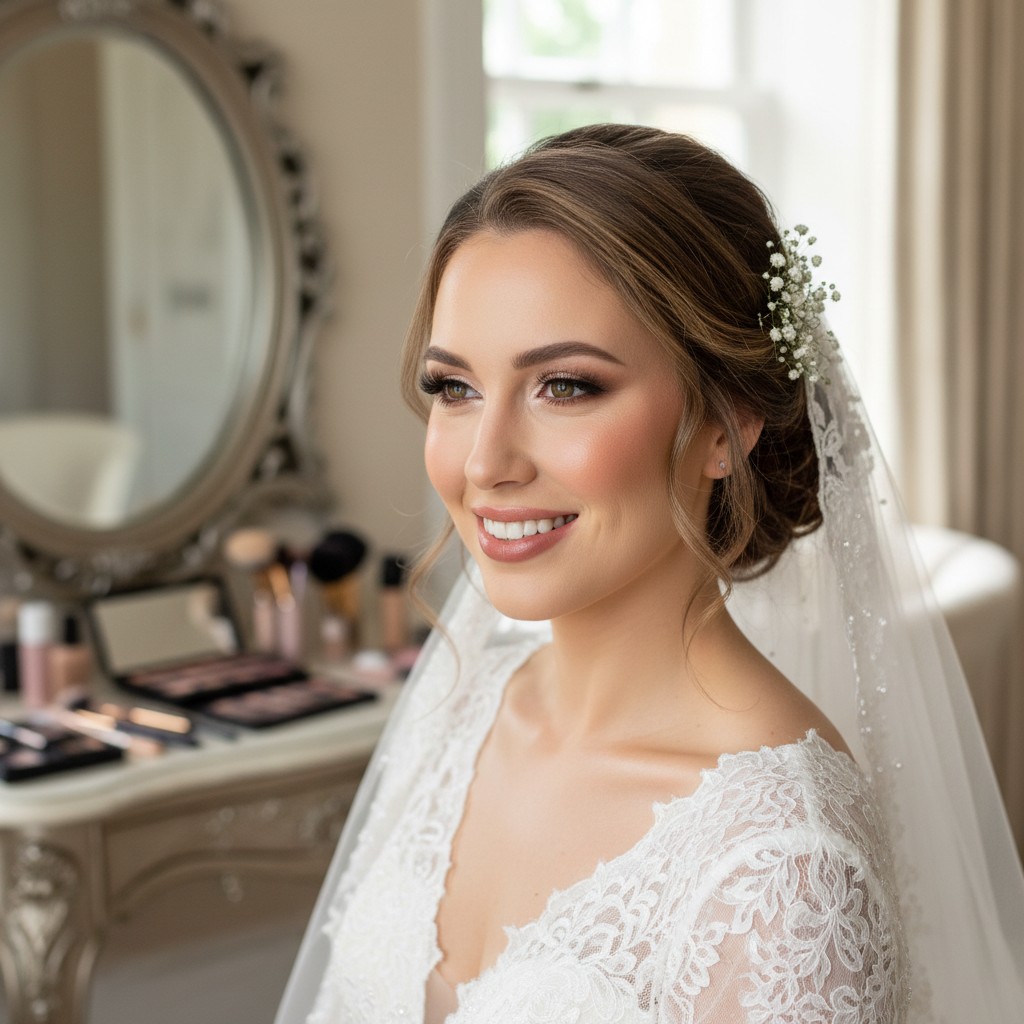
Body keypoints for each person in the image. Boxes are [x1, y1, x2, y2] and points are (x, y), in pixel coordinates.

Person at [276, 125, 1024, 1023]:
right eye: (455, 388)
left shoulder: (786, 871)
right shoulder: (459, 707)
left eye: (566, 386)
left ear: (725, 423)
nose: (484, 463)